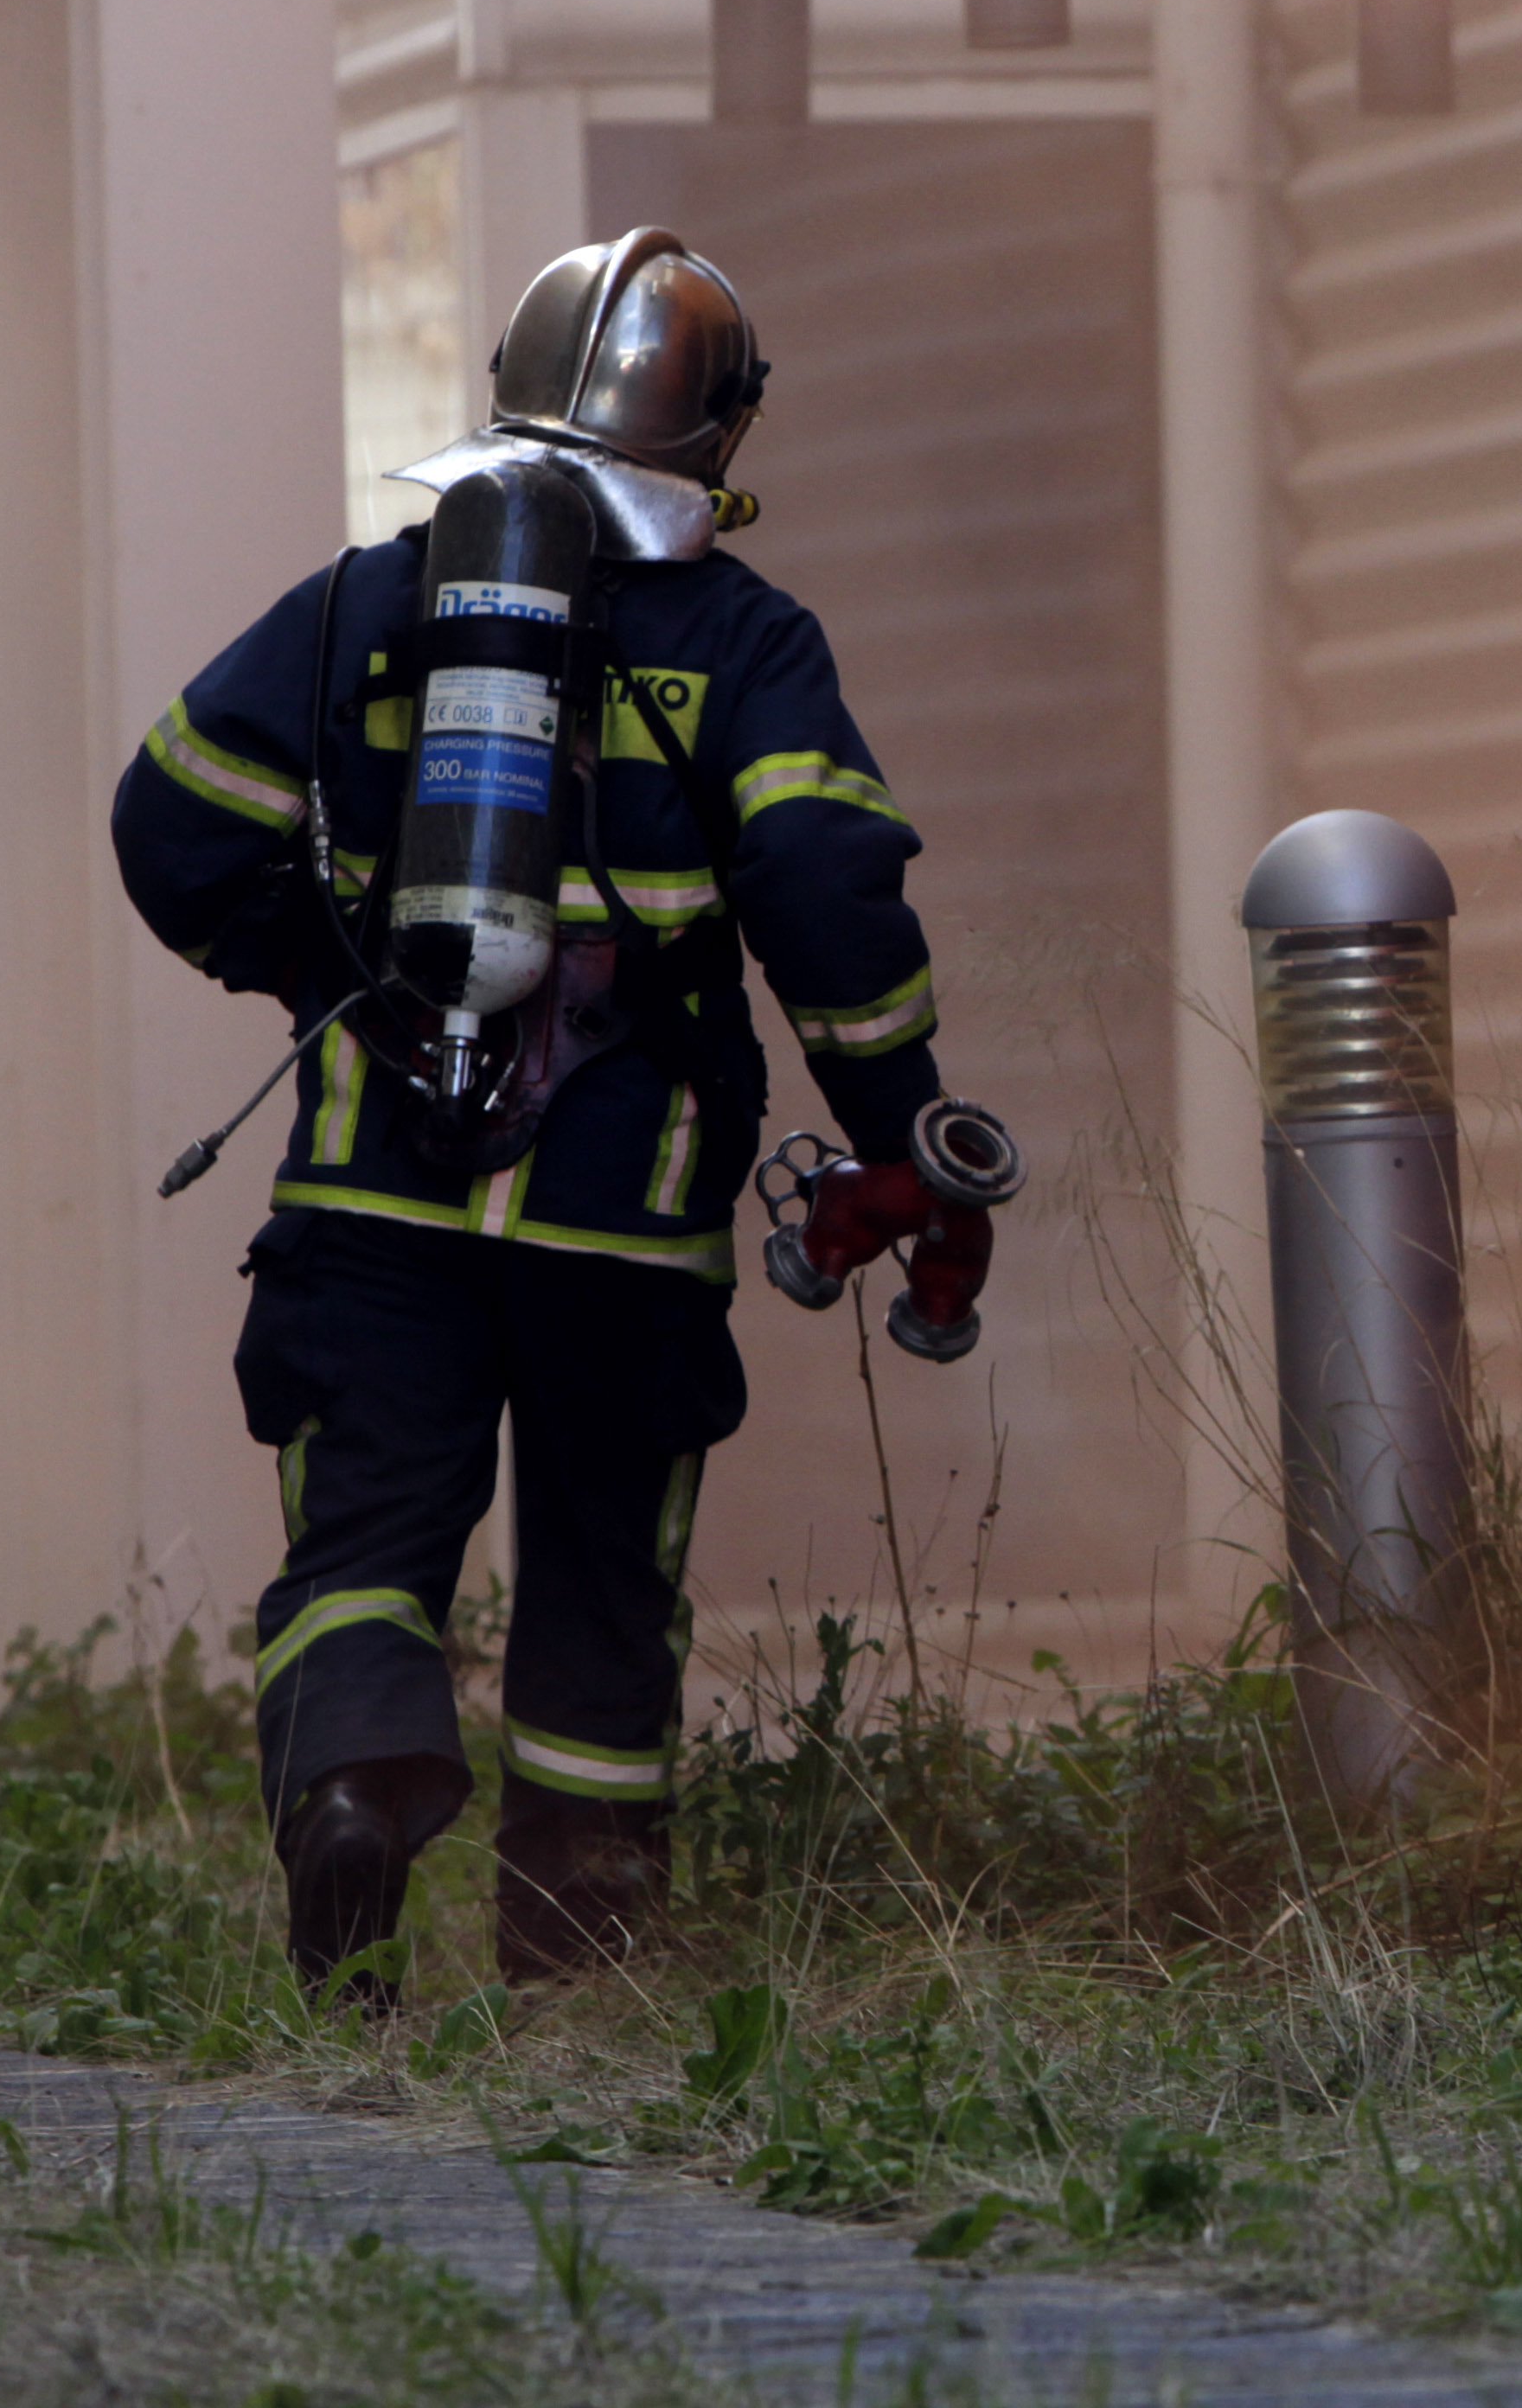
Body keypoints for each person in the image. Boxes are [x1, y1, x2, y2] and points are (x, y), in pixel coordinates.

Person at [111, 228, 949, 1996]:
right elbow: (824, 886)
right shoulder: (744, 639)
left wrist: (321, 966)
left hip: (377, 1199)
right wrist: (900, 1120)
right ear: (717, 432)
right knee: (599, 1585)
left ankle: (356, 1791)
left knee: (362, 1550)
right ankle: (583, 1957)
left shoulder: (369, 600)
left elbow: (171, 817)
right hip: (618, 1220)